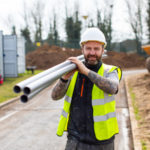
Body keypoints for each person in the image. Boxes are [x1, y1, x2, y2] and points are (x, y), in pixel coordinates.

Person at [51, 27, 122, 150]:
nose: (92, 53)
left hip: (102, 142)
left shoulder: (110, 71)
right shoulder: (72, 71)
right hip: (75, 140)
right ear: (82, 49)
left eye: (96, 49)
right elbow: (54, 96)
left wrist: (85, 71)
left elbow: (113, 88)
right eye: (88, 48)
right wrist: (64, 78)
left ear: (103, 50)